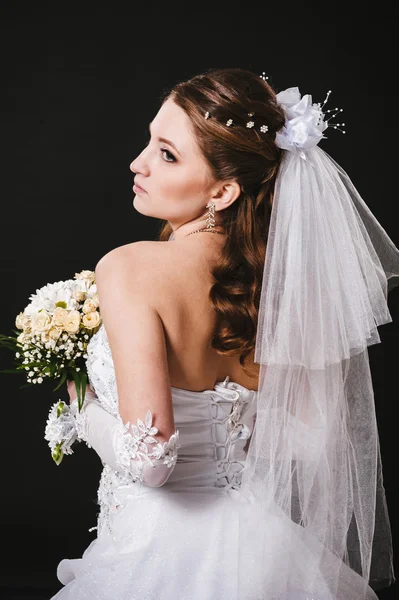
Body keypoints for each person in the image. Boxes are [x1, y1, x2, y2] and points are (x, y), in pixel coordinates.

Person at [48, 68, 399, 599]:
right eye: (150, 141)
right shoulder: (276, 286)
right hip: (260, 543)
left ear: (224, 189)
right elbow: (306, 435)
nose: (137, 163)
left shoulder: (129, 268)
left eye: (167, 154)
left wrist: (80, 402)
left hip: (159, 551)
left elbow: (152, 461)